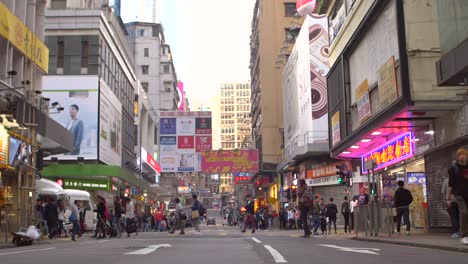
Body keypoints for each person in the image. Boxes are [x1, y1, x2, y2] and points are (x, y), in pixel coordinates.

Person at [447, 148, 468, 245]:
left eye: (464, 154)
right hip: (459, 194)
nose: (462, 156)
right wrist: (448, 198)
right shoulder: (453, 169)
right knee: (464, 212)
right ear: (457, 157)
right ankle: (464, 235)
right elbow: (450, 184)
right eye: (460, 155)